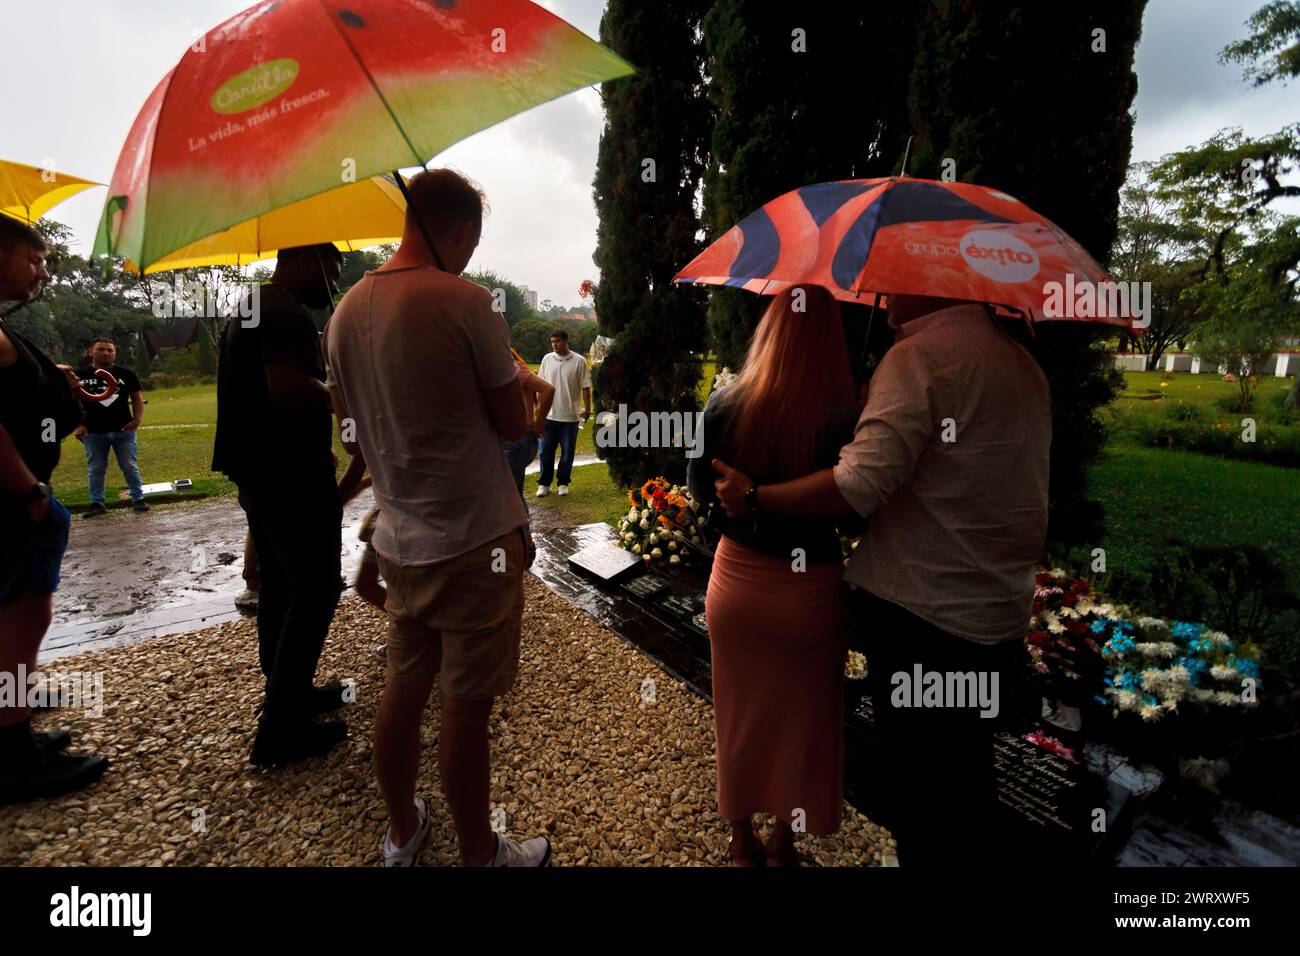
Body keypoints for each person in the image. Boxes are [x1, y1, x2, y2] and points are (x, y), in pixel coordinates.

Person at [712, 293, 1051, 867]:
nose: (885, 293)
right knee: (964, 777)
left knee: (919, 794)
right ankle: (786, 841)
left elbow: (857, 489)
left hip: (917, 616)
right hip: (992, 614)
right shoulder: (1022, 363)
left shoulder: (916, 360)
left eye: (896, 280)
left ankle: (746, 835)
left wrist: (755, 497)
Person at [324, 167, 549, 868]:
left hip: (399, 538)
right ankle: (481, 854)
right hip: (476, 538)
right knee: (466, 704)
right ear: (458, 230)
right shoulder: (465, 302)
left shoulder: (344, 314)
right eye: (472, 243)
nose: (472, 258)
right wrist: (531, 405)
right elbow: (514, 426)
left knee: (403, 687)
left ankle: (402, 832)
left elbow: (351, 428)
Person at [687, 286, 860, 867]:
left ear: (769, 328)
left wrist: (741, 518)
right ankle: (786, 840)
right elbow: (858, 506)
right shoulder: (847, 417)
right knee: (801, 720)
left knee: (736, 712)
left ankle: (741, 842)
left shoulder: (724, 404)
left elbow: (698, 495)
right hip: (810, 591)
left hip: (737, 582)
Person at [211, 242, 351, 766]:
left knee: (280, 584)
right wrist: (338, 391)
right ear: (303, 260)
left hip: (257, 468)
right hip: (289, 473)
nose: (333, 282)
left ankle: (286, 691)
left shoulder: (252, 303)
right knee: (316, 589)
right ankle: (281, 728)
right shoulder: (284, 311)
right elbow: (289, 389)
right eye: (331, 270)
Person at [0, 215, 108, 804]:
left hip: (20, 500)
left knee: (16, 620)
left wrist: (50, 381)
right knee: (19, 621)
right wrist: (29, 492)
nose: (43, 270)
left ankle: (14, 735)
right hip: (15, 504)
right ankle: (14, 761)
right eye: (32, 258)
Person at [534, 328, 590, 498]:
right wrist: (537, 407)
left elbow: (585, 386)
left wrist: (587, 409)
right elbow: (539, 384)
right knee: (545, 451)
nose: (554, 345)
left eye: (557, 341)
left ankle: (563, 483)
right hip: (548, 415)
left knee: (567, 452)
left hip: (570, 416)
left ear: (566, 341)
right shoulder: (547, 359)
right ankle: (544, 484)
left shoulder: (579, 361)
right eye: (552, 342)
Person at [503, 347, 553, 510]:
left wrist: (539, 422)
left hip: (518, 441)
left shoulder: (514, 369)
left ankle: (522, 533)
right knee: (513, 493)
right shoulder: (504, 371)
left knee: (509, 496)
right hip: (515, 441)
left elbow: (548, 389)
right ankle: (523, 533)